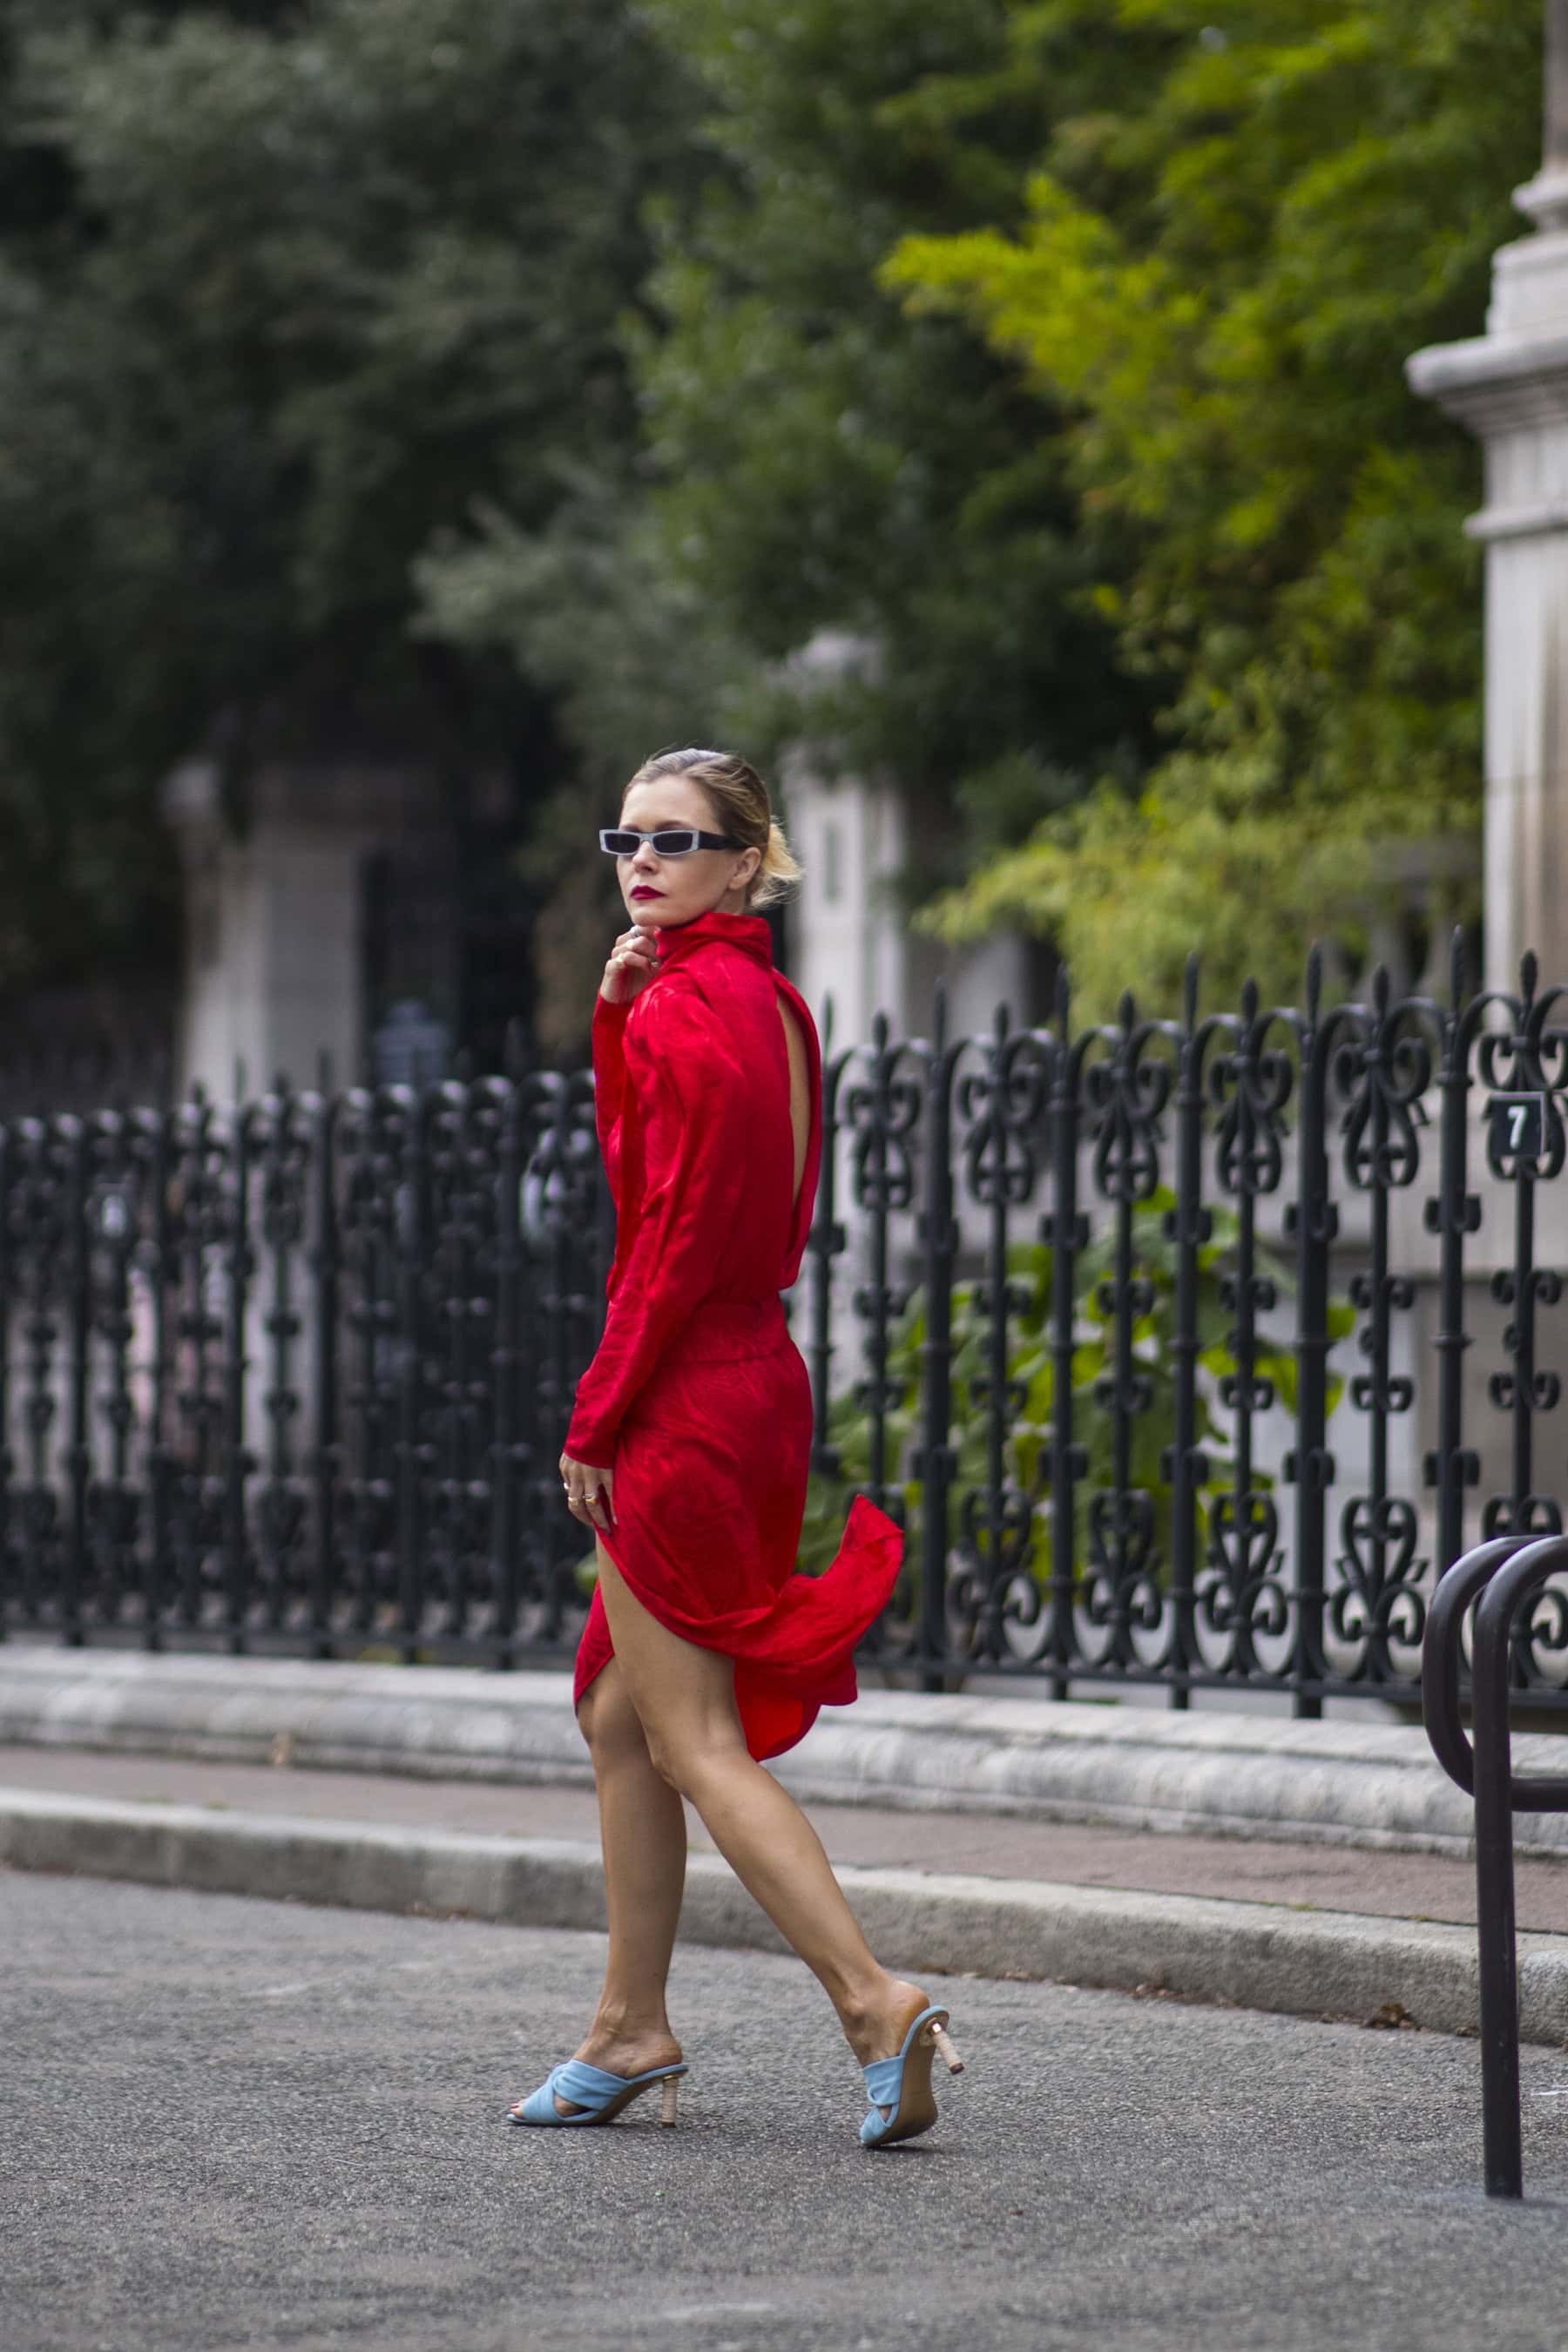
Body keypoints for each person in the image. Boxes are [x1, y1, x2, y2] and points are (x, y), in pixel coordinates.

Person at [508, 747, 964, 2148]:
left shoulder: (682, 1012)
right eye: (626, 839)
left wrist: (597, 1412)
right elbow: (689, 1189)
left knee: (695, 1737)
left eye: (679, 841)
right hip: (756, 1377)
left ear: (746, 860)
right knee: (617, 1716)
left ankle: (874, 2001)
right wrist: (611, 1022)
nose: (643, 864)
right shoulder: (762, 1002)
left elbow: (666, 1232)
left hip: (687, 1390)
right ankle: (630, 2027)